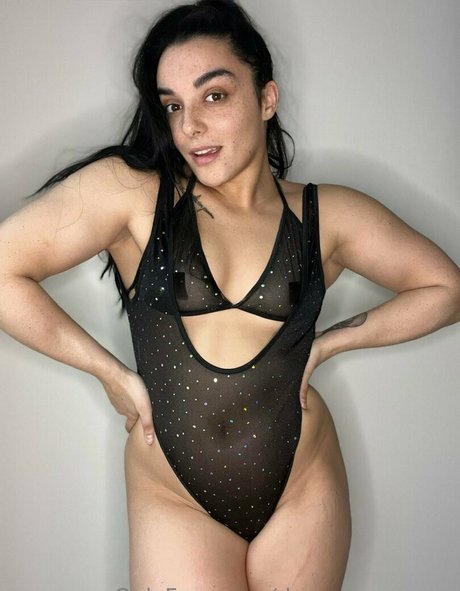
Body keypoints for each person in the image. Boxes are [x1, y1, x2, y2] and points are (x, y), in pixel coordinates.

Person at [0, 1, 459, 589]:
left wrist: (332, 343)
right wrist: (109, 373)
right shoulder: (134, 195)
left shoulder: (325, 214)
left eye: (214, 96)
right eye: (173, 106)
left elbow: (446, 289)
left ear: (266, 99)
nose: (190, 126)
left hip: (301, 485)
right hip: (176, 495)